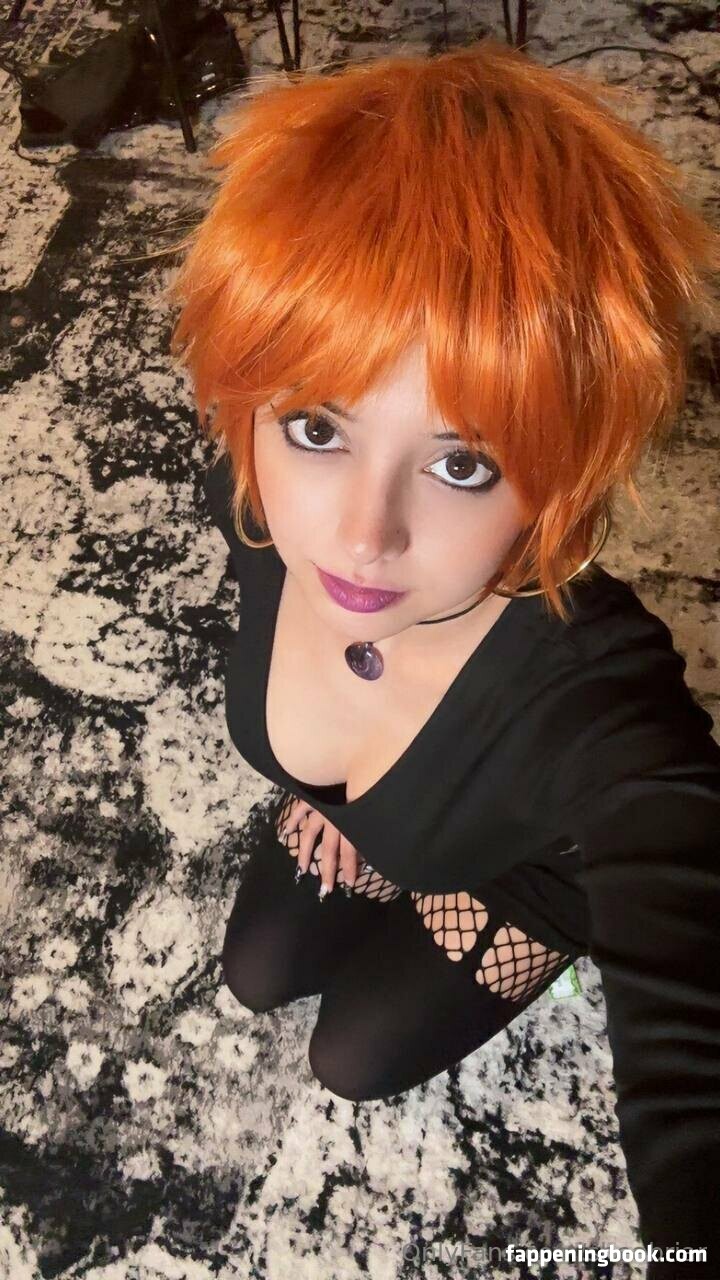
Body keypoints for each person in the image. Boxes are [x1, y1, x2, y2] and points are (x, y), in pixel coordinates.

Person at [162, 36, 720, 1277]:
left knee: (351, 1056)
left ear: (559, 479)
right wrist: (338, 796)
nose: (362, 538)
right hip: (383, 821)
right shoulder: (256, 502)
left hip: (531, 874)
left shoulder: (598, 701)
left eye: (463, 462)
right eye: (318, 426)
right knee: (256, 971)